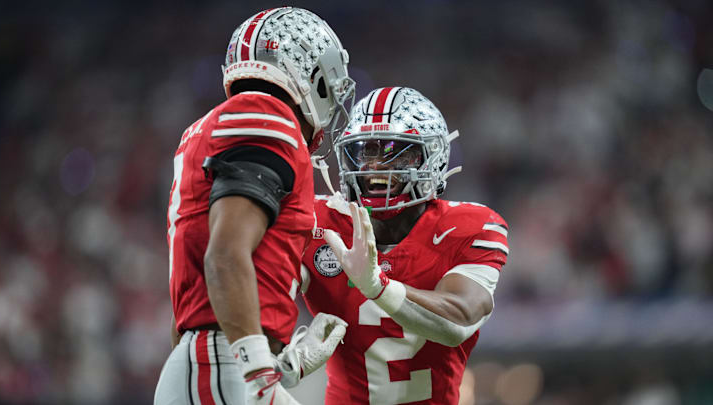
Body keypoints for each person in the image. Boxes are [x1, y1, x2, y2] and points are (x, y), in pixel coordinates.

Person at [155, 7, 356, 405]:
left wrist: (282, 364)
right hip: (223, 364)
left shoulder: (217, 125)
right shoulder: (265, 114)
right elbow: (225, 255)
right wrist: (257, 370)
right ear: (309, 73)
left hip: (216, 361)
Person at [301, 87, 509, 404]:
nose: (375, 166)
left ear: (432, 157)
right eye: (365, 151)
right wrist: (280, 359)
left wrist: (378, 287)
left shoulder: (468, 226)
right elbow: (265, 293)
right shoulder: (316, 222)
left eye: (396, 151)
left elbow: (457, 321)